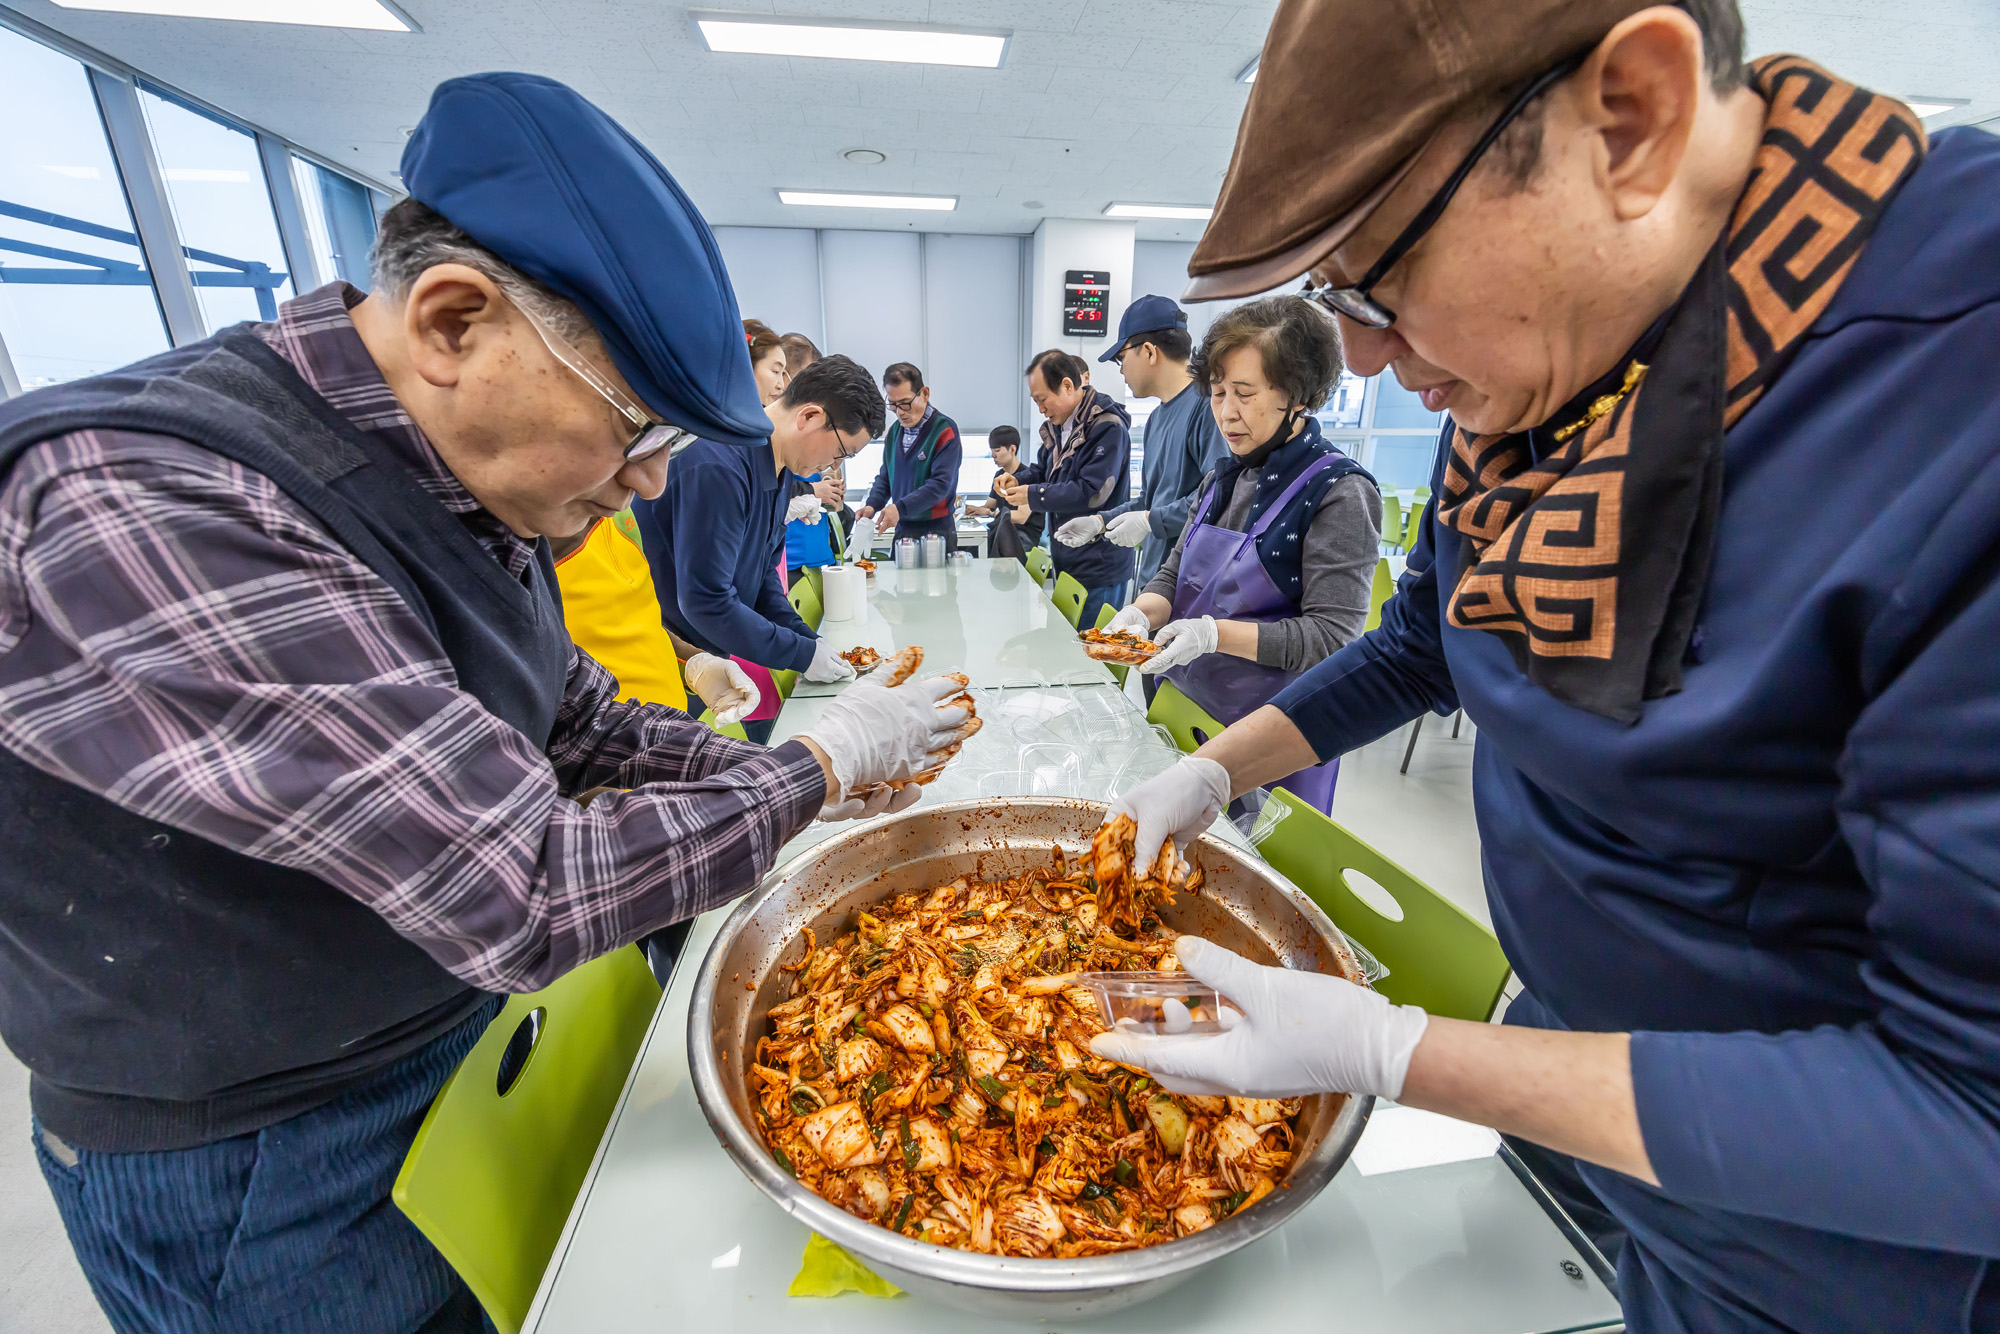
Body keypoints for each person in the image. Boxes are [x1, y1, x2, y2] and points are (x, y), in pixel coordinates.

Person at [0, 72, 967, 1334]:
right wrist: (812, 771)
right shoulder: (149, 501)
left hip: (441, 1032)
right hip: (263, 1151)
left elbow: (575, 721)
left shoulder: (450, 482)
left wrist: (742, 754)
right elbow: (521, 885)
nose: (645, 488)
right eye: (632, 434)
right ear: (453, 322)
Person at [1093, 4, 2000, 1331]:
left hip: (1825, 1245)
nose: (1361, 357)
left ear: (1629, 116)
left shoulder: (1954, 388)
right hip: (1592, 1106)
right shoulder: (1561, 353)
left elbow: (1971, 1114)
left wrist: (1394, 1050)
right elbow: (1423, 641)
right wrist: (1216, 768)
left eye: (1378, 281)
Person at [1100, 297, 1380, 809]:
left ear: (1297, 395)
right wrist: (1141, 613)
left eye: (1245, 394)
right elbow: (1174, 574)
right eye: (1218, 393)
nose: (1227, 413)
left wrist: (1212, 634)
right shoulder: (1222, 477)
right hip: (1185, 716)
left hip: (1269, 746)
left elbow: (1332, 638)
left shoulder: (1338, 492)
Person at [633, 354, 885, 742]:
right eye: (841, 453)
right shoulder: (719, 463)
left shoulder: (779, 468)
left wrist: (809, 641)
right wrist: (799, 655)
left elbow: (761, 574)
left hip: (707, 649)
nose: (833, 465)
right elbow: (706, 600)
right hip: (666, 655)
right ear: (811, 417)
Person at [1058, 295, 1226, 588]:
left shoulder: (1207, 408)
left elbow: (1218, 497)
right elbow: (1151, 500)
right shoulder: (1156, 420)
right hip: (1153, 580)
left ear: (1148, 351)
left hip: (1189, 585)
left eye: (1121, 357)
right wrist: (1101, 522)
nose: (1121, 369)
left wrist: (1151, 521)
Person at [552, 510, 760, 723]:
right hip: (608, 739)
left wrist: (691, 661)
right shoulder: (531, 538)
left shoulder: (621, 509)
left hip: (671, 726)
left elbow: (637, 615)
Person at [998, 350, 1134, 628]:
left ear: (1067, 386)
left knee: (1088, 661)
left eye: (1042, 399)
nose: (1040, 409)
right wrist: (1018, 479)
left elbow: (1092, 492)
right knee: (1063, 649)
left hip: (1098, 562)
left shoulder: (1107, 427)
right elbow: (1044, 472)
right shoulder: (1061, 425)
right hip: (1067, 556)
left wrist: (1033, 496)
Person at [857, 361, 962, 552]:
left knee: (939, 582)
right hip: (904, 529)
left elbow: (940, 485)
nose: (900, 412)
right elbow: (887, 477)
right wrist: (872, 505)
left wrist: (900, 508)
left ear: (924, 394)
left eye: (905, 403)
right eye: (893, 405)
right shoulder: (894, 432)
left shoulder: (944, 430)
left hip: (937, 532)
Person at [964, 425, 1044, 562]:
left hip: (1023, 535)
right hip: (1002, 530)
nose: (993, 455)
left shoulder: (1029, 477)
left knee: (983, 551)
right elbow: (990, 505)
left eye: (997, 450)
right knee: (969, 549)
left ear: (1012, 449)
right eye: (992, 450)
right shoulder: (999, 475)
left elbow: (1021, 517)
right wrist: (970, 509)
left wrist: (989, 513)